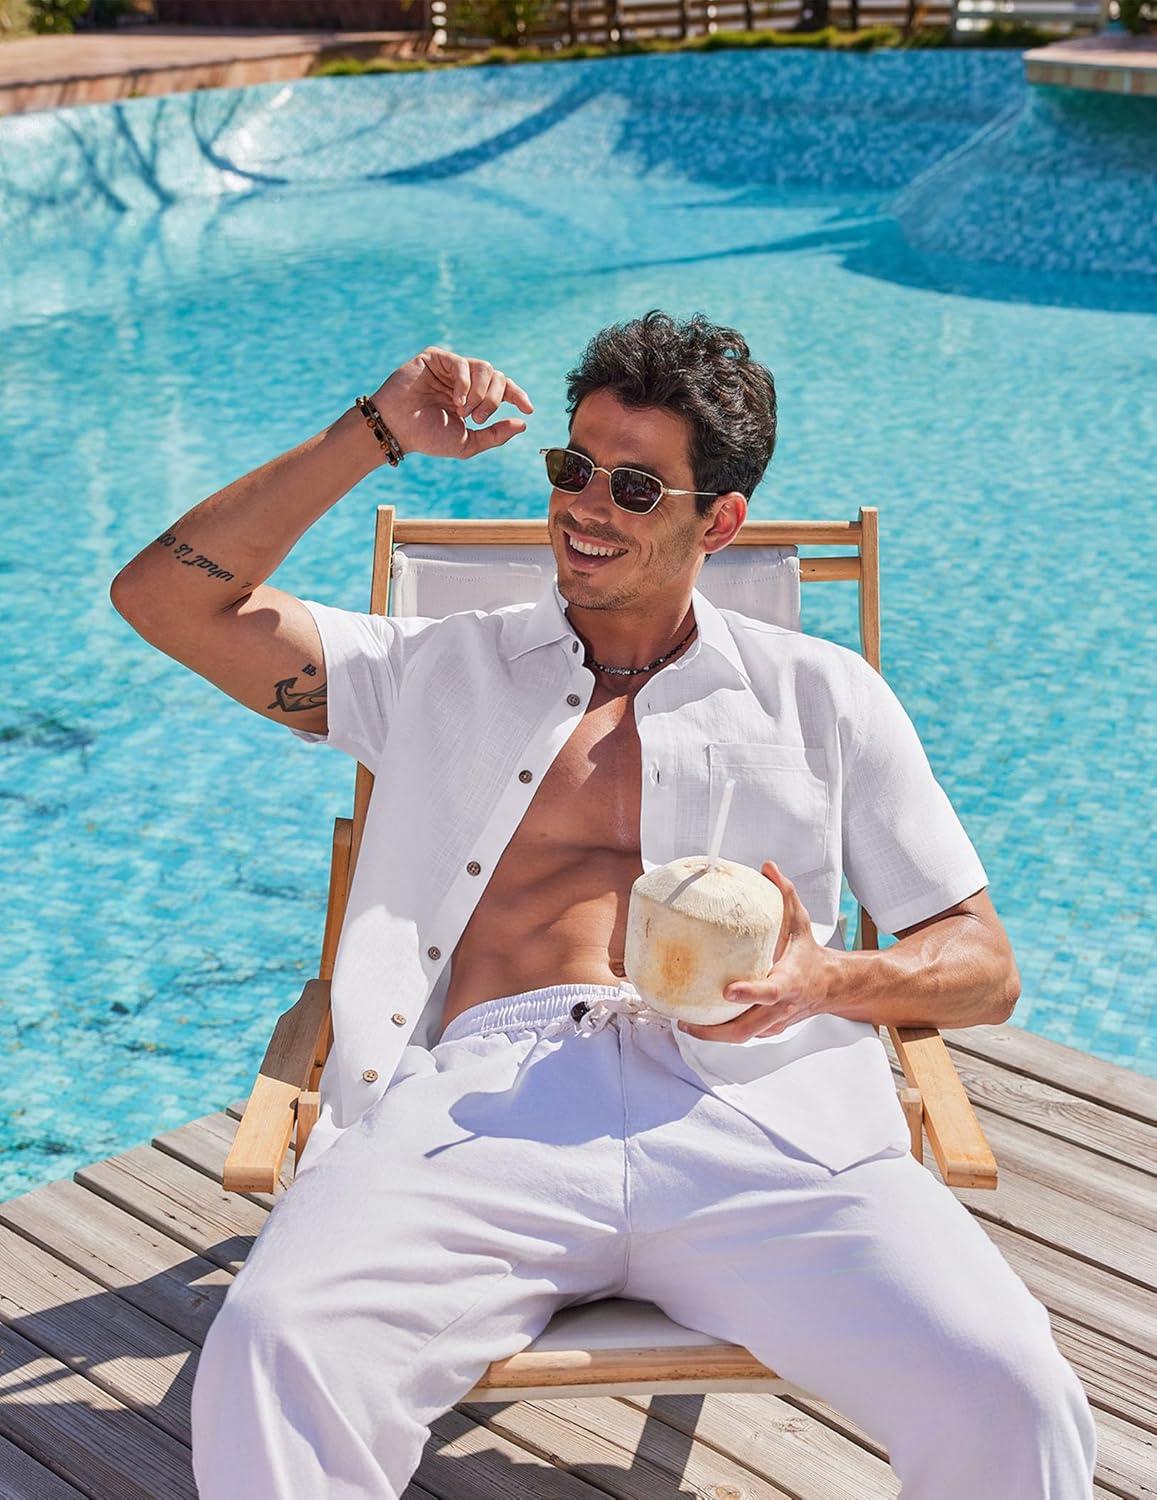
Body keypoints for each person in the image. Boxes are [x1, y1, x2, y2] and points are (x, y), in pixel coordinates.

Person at [111, 310, 1097, 1498]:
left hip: (760, 1117)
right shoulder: (434, 668)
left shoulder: (821, 696)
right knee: (274, 1351)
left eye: (635, 488)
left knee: (1011, 1387)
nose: (584, 507)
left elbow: (982, 965)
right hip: (481, 1106)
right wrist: (373, 432)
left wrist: (828, 980)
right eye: (571, 467)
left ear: (717, 521)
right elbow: (163, 599)